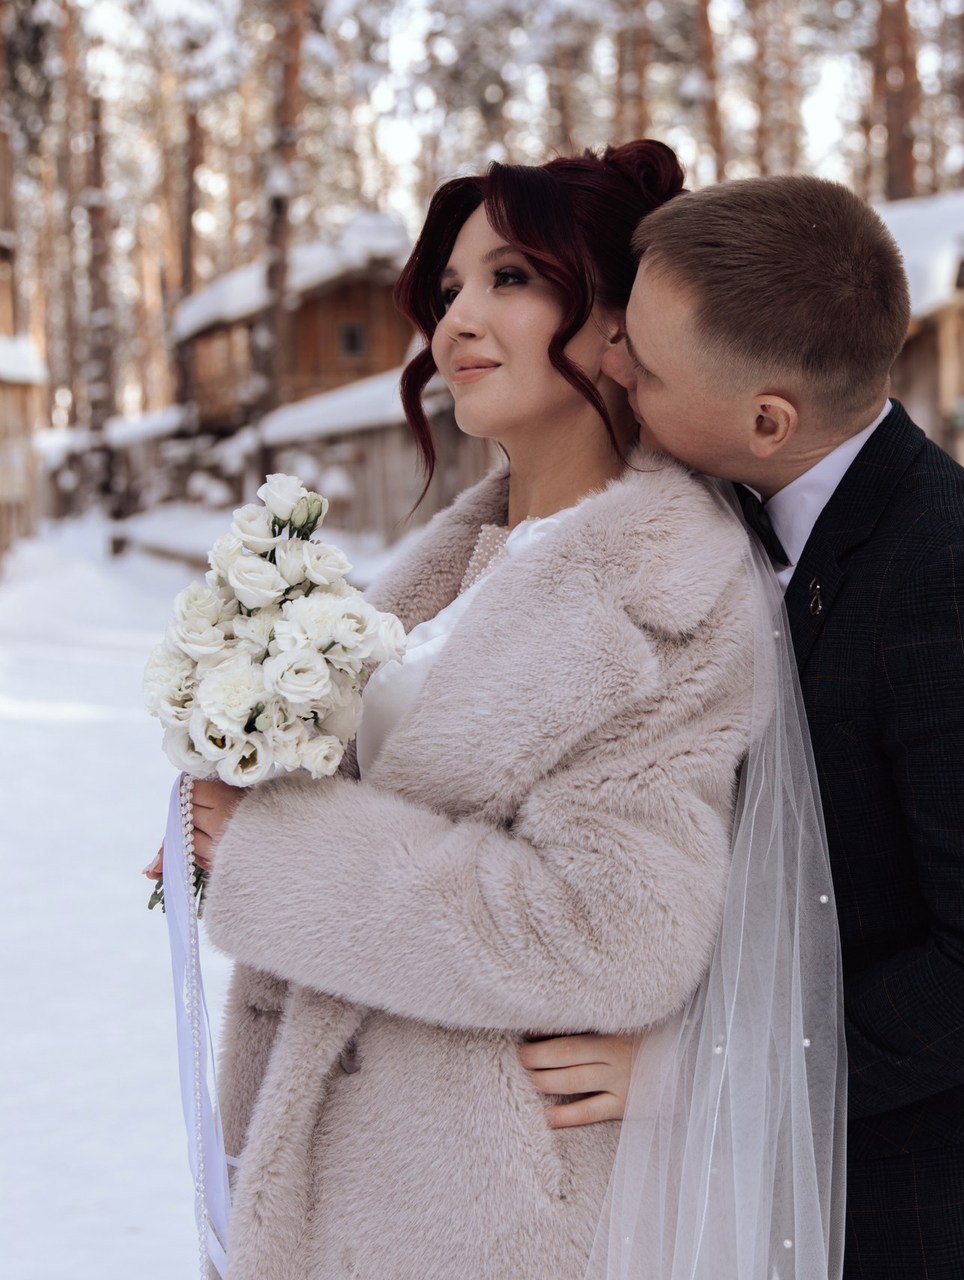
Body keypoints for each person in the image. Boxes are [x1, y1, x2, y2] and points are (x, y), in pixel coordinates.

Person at [173, 141, 787, 1280]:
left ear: (623, 325)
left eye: (510, 278)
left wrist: (281, 852)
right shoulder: (452, 567)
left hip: (495, 1208)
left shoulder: (668, 592)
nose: (455, 318)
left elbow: (610, 927)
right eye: (449, 287)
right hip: (358, 1175)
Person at [528, 175, 964, 1278]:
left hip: (959, 1216)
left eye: (645, 362)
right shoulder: (727, 500)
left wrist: (707, 1065)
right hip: (791, 1195)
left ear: (767, 417)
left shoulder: (961, 588)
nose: (612, 363)